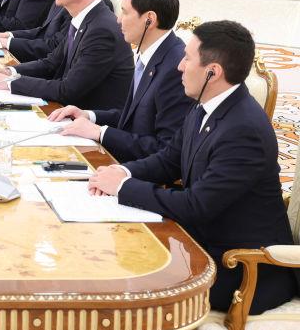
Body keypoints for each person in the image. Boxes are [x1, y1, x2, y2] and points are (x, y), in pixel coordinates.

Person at [89, 21, 298, 314]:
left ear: (213, 72)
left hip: (241, 268)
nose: (179, 66)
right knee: (108, 249)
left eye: (187, 58)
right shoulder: (206, 105)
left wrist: (124, 188)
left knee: (125, 284)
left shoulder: (244, 130)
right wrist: (122, 173)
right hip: (201, 242)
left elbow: (197, 205)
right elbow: (169, 160)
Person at [48, 0, 194, 161]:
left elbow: (164, 149)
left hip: (137, 170)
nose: (118, 20)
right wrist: (88, 115)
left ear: (149, 19)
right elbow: (132, 117)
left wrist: (101, 132)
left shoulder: (175, 68)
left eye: (124, 12)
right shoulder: (152, 53)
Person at [0, 0, 133, 110]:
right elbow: (51, 63)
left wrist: (10, 83)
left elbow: (68, 90)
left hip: (88, 120)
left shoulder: (102, 30)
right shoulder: (84, 17)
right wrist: (10, 71)